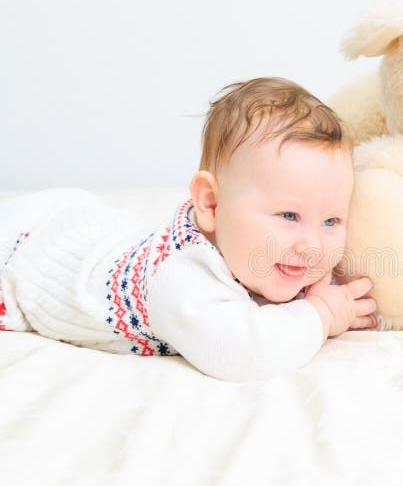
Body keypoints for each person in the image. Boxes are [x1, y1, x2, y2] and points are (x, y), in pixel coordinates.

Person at [0, 77, 376, 382]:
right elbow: (243, 352)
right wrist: (321, 314)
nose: (311, 245)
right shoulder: (179, 279)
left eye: (331, 221)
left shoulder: (257, 250)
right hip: (27, 257)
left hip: (80, 225)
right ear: (211, 204)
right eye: (289, 216)